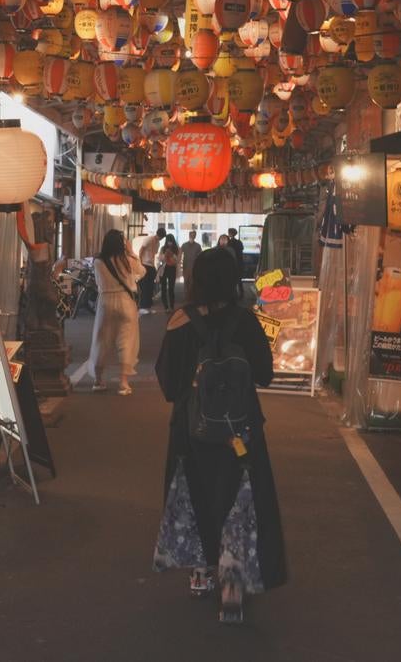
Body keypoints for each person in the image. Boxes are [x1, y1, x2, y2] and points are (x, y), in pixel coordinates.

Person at [153, 249, 287, 624]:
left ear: (195, 280)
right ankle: (232, 583)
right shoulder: (246, 321)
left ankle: (199, 573)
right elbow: (264, 374)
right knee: (238, 500)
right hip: (240, 432)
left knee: (193, 494)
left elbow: (167, 384)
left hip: (189, 431)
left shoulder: (179, 321)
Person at [92, 229, 147, 394]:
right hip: (125, 302)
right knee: (126, 342)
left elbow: (98, 283)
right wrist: (131, 252)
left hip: (106, 302)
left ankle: (98, 380)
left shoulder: (98, 261)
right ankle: (123, 383)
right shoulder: (128, 260)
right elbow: (142, 272)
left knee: (101, 341)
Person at [135, 225, 163, 313]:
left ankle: (148, 304)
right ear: (158, 234)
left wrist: (154, 266)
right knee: (144, 286)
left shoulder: (158, 243)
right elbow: (141, 250)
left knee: (150, 286)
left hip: (151, 266)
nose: (160, 239)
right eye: (160, 237)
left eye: (161, 238)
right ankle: (143, 305)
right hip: (144, 264)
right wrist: (140, 262)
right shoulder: (149, 239)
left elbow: (153, 255)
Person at [158, 234, 180, 313]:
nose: (169, 243)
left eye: (171, 241)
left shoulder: (176, 249)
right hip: (164, 269)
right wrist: (165, 255)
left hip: (172, 269)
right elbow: (160, 258)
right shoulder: (163, 248)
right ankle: (166, 307)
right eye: (168, 241)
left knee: (171, 288)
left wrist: (172, 254)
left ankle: (172, 306)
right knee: (163, 288)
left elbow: (178, 260)